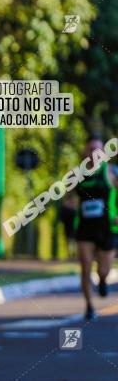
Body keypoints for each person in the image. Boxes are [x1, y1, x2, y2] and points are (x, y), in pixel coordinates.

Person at [72, 135, 118, 320]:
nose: (93, 154)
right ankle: (89, 306)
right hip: (85, 228)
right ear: (85, 152)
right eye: (90, 149)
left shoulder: (111, 172)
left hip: (107, 228)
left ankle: (103, 280)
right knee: (85, 267)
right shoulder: (77, 174)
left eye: (97, 150)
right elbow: (69, 198)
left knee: (103, 269)